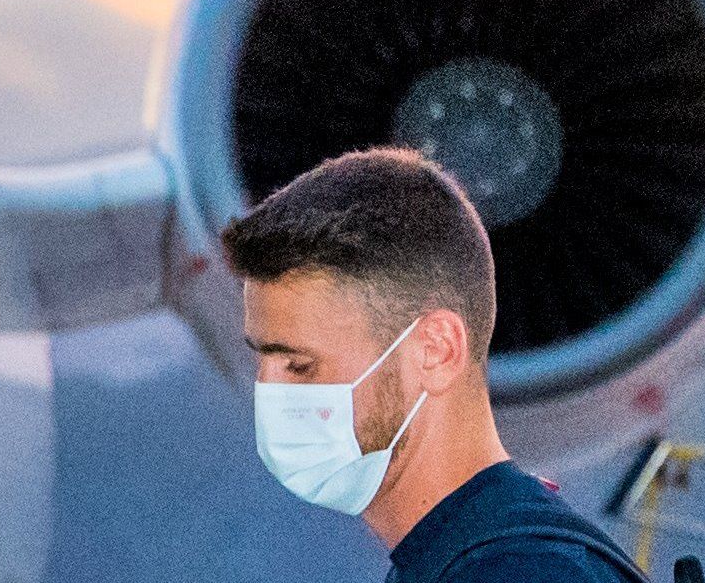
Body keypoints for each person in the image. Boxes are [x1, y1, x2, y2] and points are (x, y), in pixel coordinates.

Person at [222, 148, 648, 582]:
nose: (267, 392)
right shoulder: (469, 557)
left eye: (298, 366)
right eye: (261, 359)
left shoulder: (516, 574)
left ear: (437, 350)